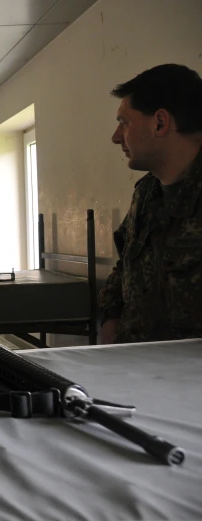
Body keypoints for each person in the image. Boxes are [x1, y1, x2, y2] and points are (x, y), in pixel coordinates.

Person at [99, 63, 202, 344]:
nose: (115, 136)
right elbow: (126, 268)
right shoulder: (146, 193)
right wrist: (110, 324)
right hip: (136, 373)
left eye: (124, 122)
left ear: (160, 123)